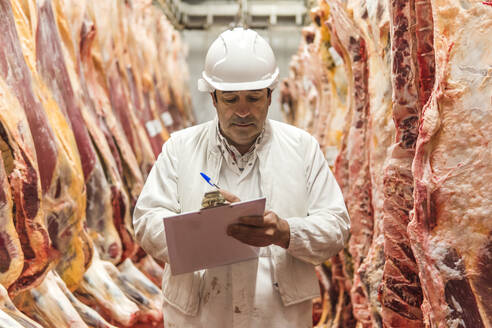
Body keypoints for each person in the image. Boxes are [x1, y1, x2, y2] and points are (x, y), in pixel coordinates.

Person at [133, 27, 350, 328]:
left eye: (254, 98)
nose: (243, 111)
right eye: (231, 99)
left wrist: (285, 232)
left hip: (278, 319)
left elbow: (337, 226)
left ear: (270, 96)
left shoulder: (303, 148)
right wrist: (199, 227)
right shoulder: (179, 149)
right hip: (199, 319)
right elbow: (145, 221)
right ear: (214, 99)